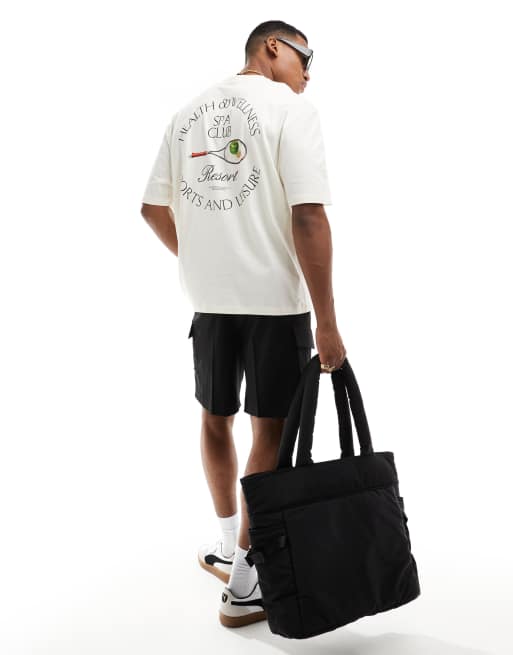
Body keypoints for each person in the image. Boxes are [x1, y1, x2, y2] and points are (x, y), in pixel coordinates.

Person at [140, 19, 347, 627]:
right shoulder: (290, 110)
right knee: (271, 431)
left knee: (215, 416)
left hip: (210, 301)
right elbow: (309, 216)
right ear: (273, 47)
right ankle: (246, 583)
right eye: (307, 58)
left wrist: (203, 259)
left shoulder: (187, 113)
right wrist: (328, 322)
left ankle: (230, 545)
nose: (308, 74)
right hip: (275, 303)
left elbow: (152, 208)